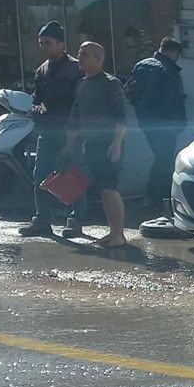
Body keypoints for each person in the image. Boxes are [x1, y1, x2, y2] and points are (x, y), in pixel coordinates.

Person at [20, 21, 84, 238]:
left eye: (48, 43)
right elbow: (37, 99)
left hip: (71, 130)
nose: (44, 47)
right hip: (48, 131)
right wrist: (38, 110)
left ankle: (75, 219)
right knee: (40, 174)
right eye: (41, 43)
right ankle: (42, 219)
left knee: (72, 173)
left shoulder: (77, 68)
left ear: (61, 44)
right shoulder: (42, 70)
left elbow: (81, 101)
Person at [65, 41, 128, 249]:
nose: (79, 57)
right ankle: (113, 232)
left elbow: (121, 117)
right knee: (102, 189)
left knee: (110, 187)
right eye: (79, 53)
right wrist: (69, 145)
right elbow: (75, 118)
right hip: (90, 144)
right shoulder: (82, 84)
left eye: (85, 54)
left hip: (108, 144)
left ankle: (119, 234)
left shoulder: (111, 83)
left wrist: (117, 143)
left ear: (98, 59)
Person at [126, 36, 186, 209]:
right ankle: (156, 197)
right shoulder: (169, 71)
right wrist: (180, 124)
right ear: (174, 52)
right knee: (165, 159)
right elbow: (174, 101)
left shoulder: (141, 65)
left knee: (161, 157)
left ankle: (156, 197)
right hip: (165, 123)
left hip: (145, 121)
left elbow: (129, 91)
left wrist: (142, 110)